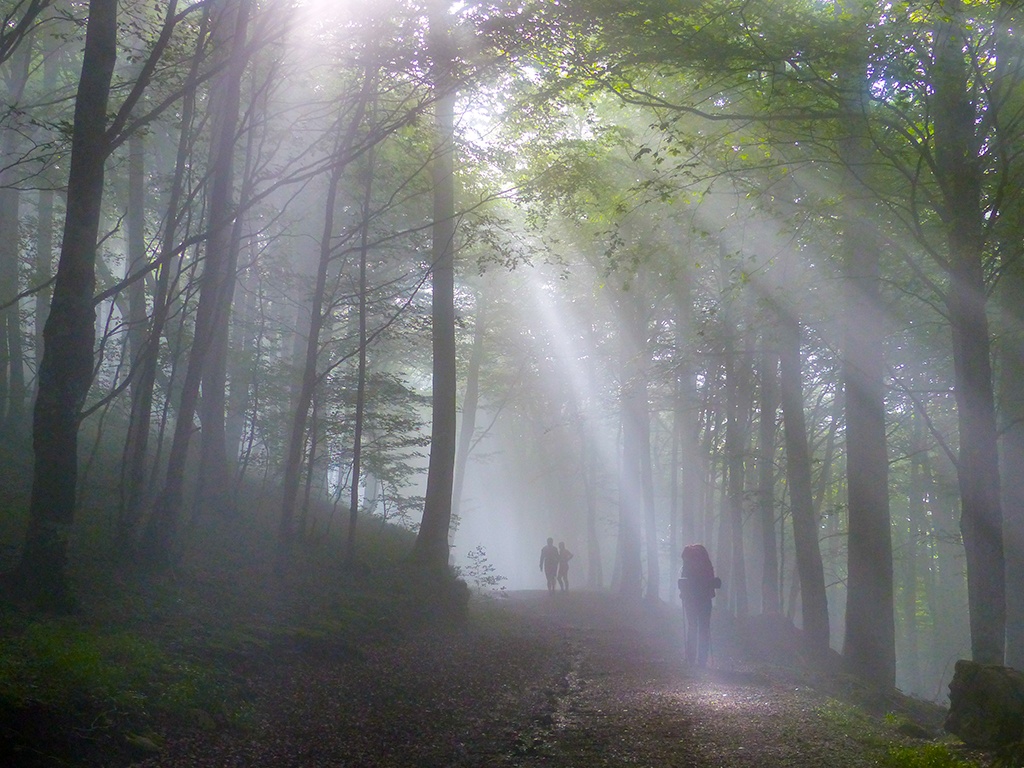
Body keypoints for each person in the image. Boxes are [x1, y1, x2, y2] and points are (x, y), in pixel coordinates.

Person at [678, 544, 720, 667]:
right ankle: (702, 660)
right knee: (704, 629)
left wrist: (683, 593)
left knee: (692, 627)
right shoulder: (706, 564)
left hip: (691, 600)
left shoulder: (687, 562)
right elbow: (712, 583)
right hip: (705, 600)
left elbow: (684, 581)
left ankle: (691, 658)